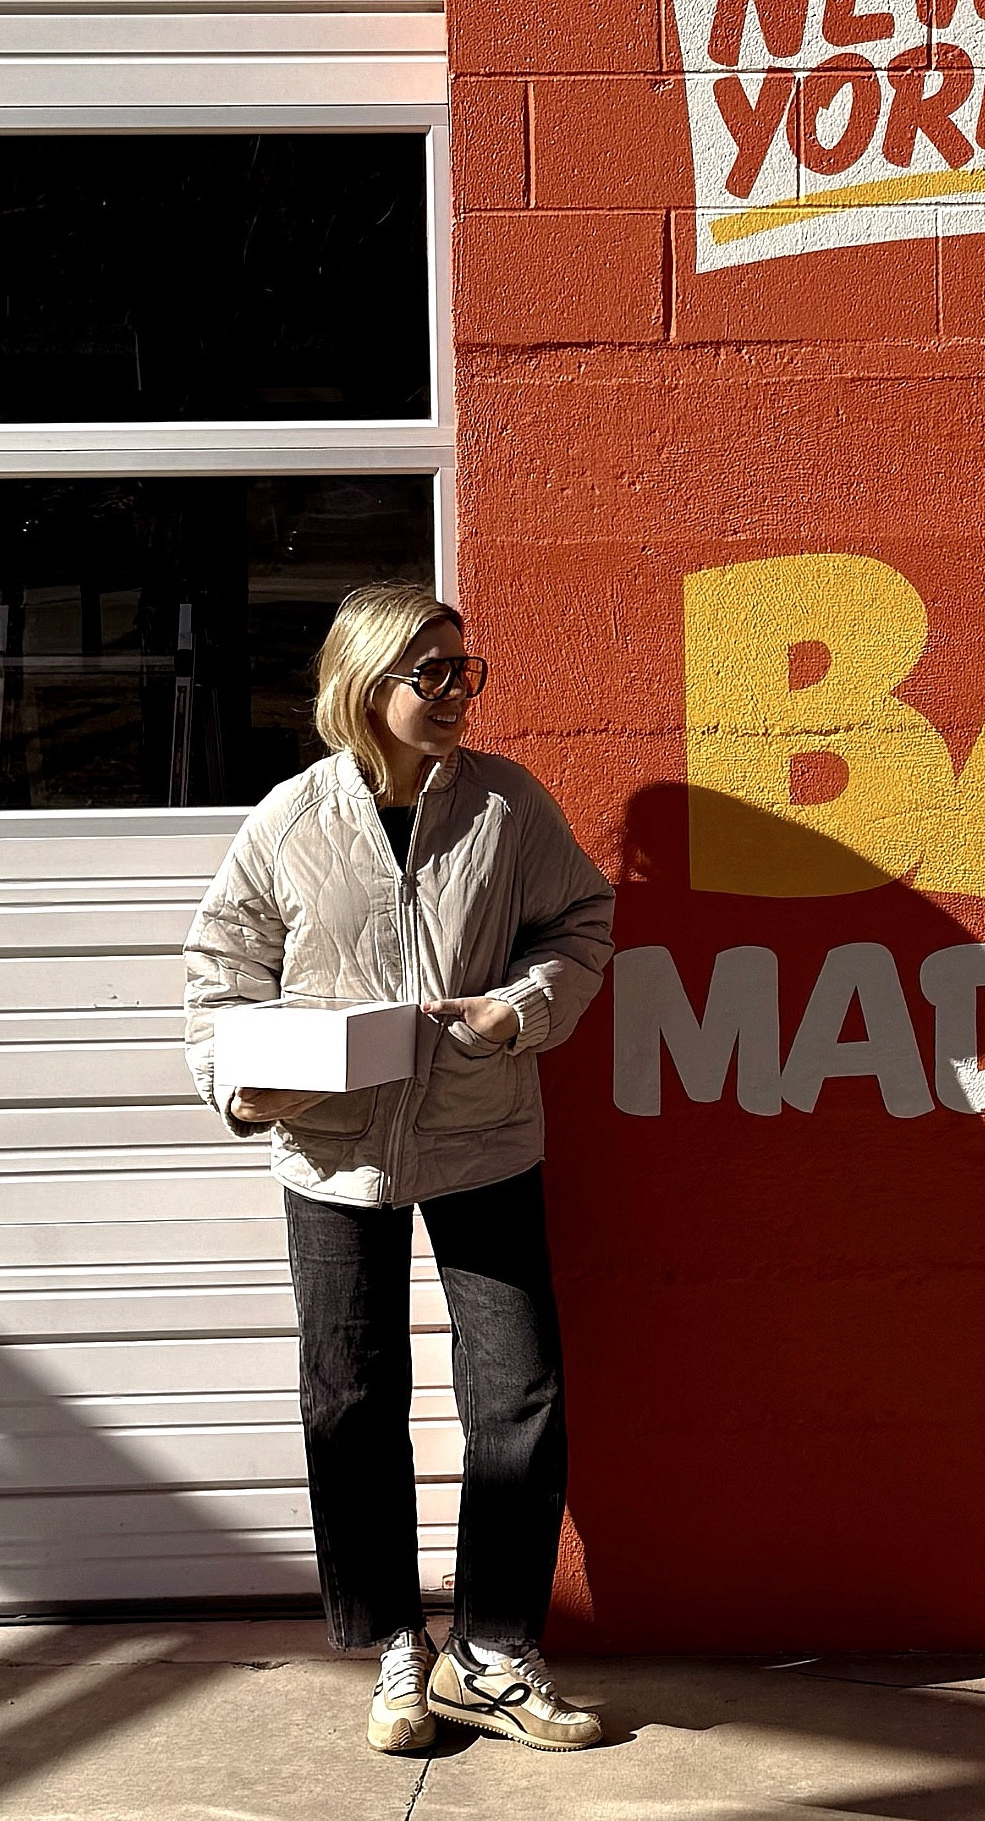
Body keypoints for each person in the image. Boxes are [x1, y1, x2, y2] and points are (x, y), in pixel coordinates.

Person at [183, 582, 615, 1757]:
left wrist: (520, 1008)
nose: (457, 692)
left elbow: (581, 919)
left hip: (483, 1134)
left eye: (465, 669)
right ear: (363, 685)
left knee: (518, 1391)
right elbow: (219, 976)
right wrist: (241, 1082)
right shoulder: (289, 821)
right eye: (431, 673)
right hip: (333, 1151)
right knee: (351, 1399)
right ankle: (392, 1644)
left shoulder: (507, 805)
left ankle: (496, 1647)